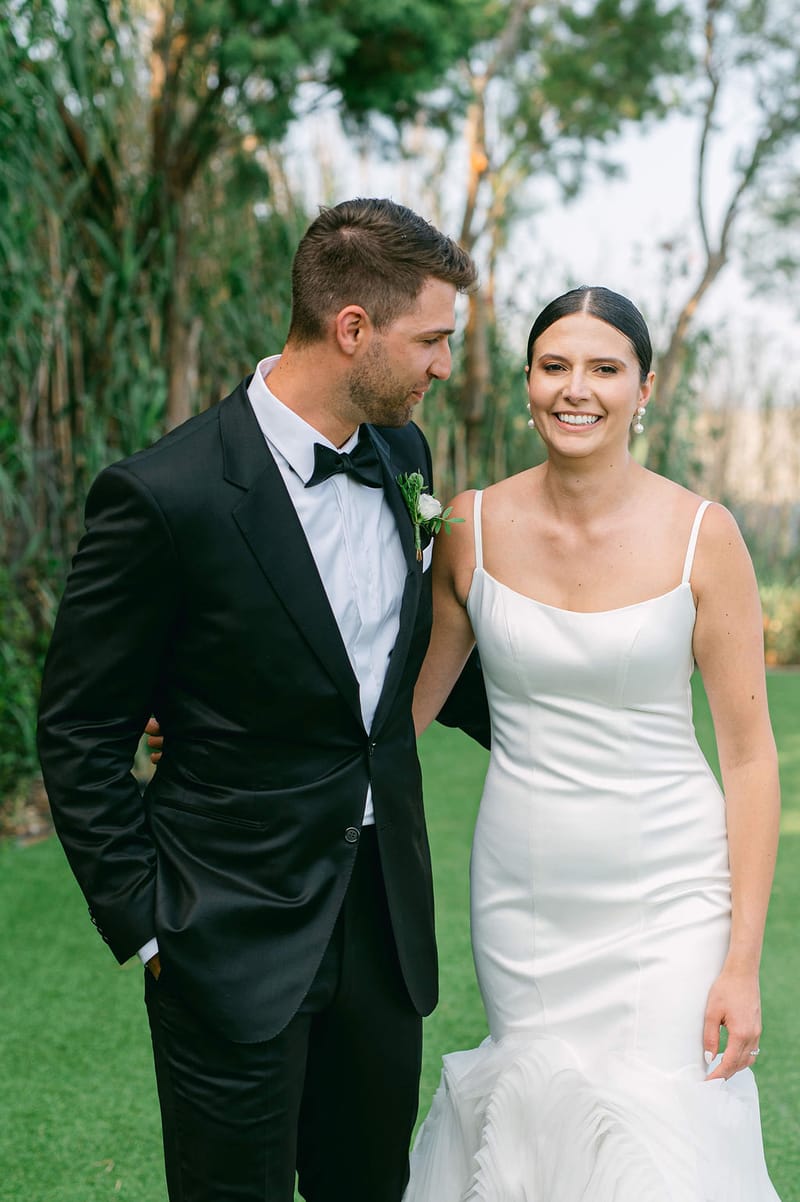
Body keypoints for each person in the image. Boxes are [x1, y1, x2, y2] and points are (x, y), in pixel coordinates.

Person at [36, 197, 487, 1202]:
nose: (443, 367)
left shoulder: (404, 459)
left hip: (381, 928)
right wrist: (150, 922)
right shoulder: (166, 495)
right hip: (225, 932)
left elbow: (383, 673)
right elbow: (77, 729)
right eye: (432, 340)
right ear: (353, 328)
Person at [404, 286, 781, 1200]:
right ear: (528, 383)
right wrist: (226, 728)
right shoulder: (470, 528)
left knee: (660, 1124)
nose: (577, 389)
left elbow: (749, 757)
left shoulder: (705, 535)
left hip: (671, 890)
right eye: (555, 366)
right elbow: (392, 714)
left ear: (644, 387)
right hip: (524, 891)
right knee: (539, 1121)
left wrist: (741, 961)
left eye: (605, 368)